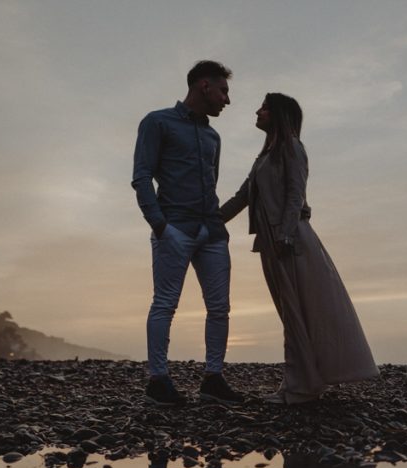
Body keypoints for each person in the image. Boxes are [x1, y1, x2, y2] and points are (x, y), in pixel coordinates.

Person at [220, 94, 378, 404]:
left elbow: (296, 194)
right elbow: (243, 197)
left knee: (297, 312)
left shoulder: (291, 147)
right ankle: (303, 382)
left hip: (289, 241)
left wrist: (287, 236)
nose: (257, 111)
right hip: (273, 240)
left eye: (264, 107)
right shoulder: (265, 156)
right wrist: (209, 220)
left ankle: (299, 388)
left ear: (278, 114)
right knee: (291, 313)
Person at [132, 60, 244, 407]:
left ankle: (213, 379)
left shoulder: (213, 136)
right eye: (224, 91)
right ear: (204, 86)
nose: (227, 100)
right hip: (174, 229)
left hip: (211, 233)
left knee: (220, 308)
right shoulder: (157, 122)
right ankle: (158, 381)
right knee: (165, 304)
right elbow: (142, 176)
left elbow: (212, 181)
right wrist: (160, 226)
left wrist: (219, 227)